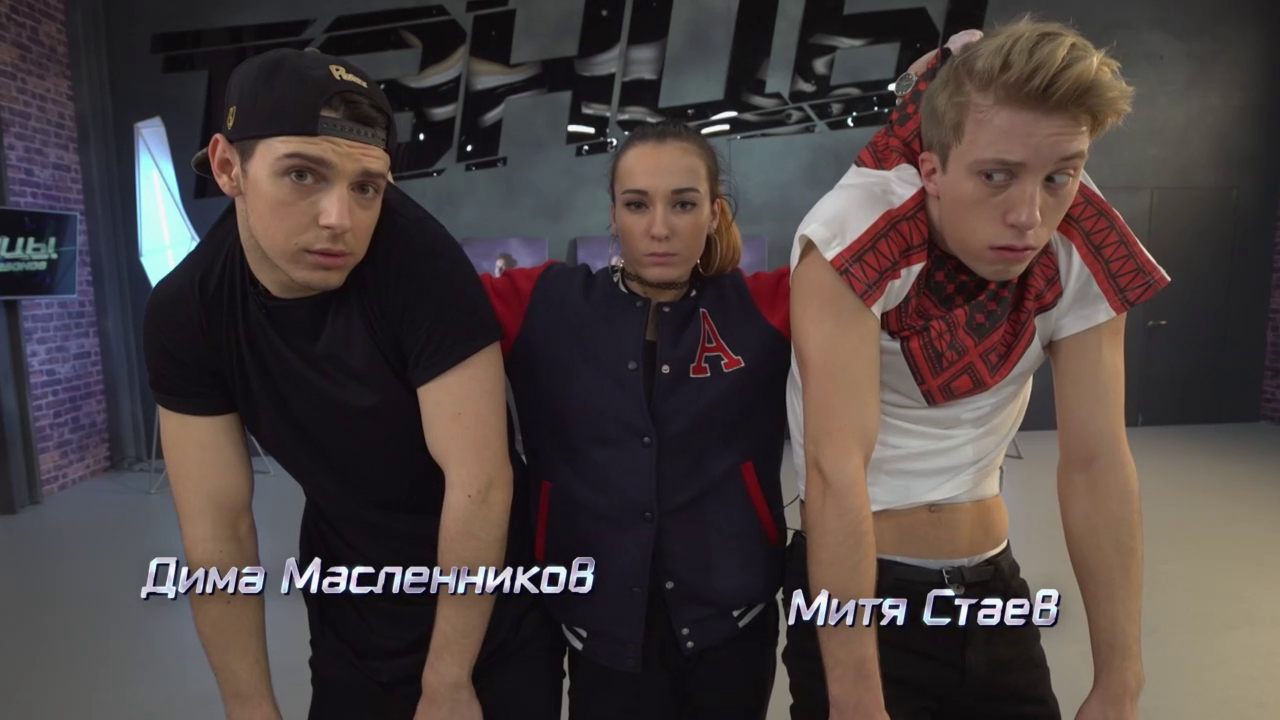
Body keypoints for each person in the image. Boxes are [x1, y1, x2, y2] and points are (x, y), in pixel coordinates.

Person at [142, 48, 563, 720]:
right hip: (351, 596)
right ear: (228, 167)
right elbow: (219, 529)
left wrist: (449, 680)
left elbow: (480, 483)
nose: (339, 218)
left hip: (488, 601)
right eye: (302, 174)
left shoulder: (422, 265)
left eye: (366, 186)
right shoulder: (187, 311)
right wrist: (249, 707)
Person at [783, 19, 1169, 720]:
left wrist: (1122, 680)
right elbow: (835, 470)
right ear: (932, 171)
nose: (1029, 216)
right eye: (996, 176)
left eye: (1059, 176)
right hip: (865, 596)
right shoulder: (851, 234)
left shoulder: (1079, 240)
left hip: (992, 588)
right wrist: (857, 700)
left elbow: (1097, 463)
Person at [478, 120, 792, 719]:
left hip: (733, 622)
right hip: (596, 621)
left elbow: (871, 258)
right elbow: (424, 286)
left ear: (714, 214)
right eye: (637, 204)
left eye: (684, 204)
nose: (659, 228)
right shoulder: (542, 302)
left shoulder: (767, 305)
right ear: (613, 215)